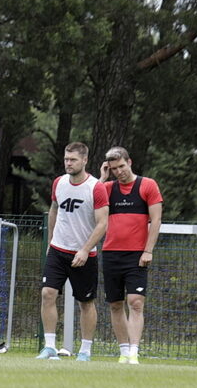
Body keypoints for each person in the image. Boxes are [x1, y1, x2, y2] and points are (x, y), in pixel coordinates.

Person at [37, 142, 109, 362]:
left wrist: (86, 250)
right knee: (47, 293)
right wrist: (50, 241)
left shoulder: (96, 187)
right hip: (58, 250)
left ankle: (85, 350)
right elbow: (53, 210)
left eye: (73, 160)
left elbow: (102, 224)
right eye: (66, 159)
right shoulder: (59, 182)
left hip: (83, 255)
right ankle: (49, 347)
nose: (68, 163)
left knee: (85, 302)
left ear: (85, 160)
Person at [98, 146, 162, 364]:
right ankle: (123, 351)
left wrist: (148, 250)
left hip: (137, 255)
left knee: (135, 302)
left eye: (122, 166)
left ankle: (134, 351)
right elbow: (91, 205)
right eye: (114, 168)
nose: (119, 171)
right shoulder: (106, 188)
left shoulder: (148, 185)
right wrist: (101, 178)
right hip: (111, 253)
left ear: (130, 162)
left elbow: (156, 220)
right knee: (115, 304)